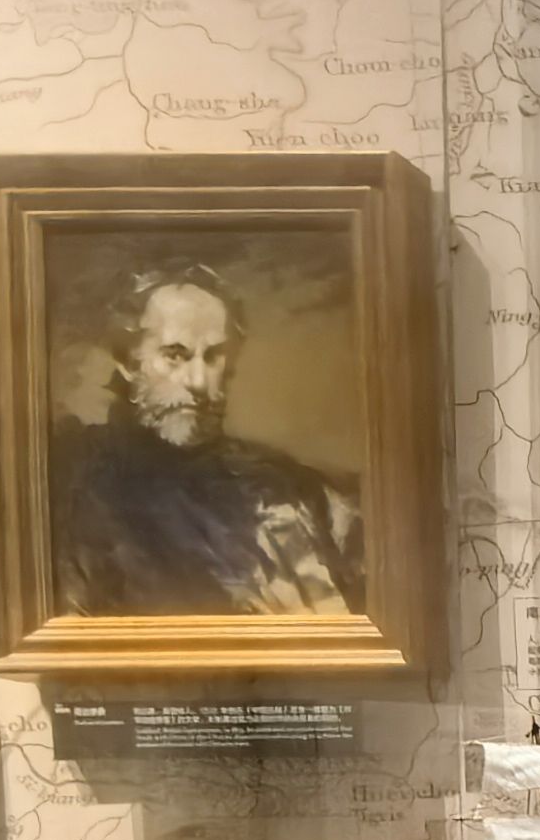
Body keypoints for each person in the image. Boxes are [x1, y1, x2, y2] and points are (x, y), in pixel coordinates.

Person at [51, 260, 364, 616]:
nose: (199, 382)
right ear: (128, 361)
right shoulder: (82, 498)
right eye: (175, 355)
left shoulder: (283, 487)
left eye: (213, 356)